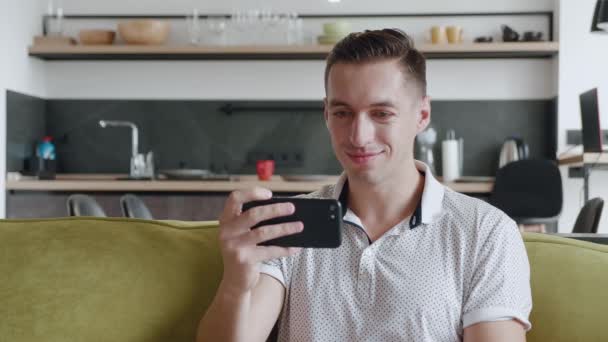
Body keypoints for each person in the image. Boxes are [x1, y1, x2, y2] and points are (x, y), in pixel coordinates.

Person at [197, 28, 531, 342]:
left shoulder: (487, 232)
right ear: (326, 114)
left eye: (381, 113)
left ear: (422, 114)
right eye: (343, 113)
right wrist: (235, 283)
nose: (359, 136)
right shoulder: (290, 223)